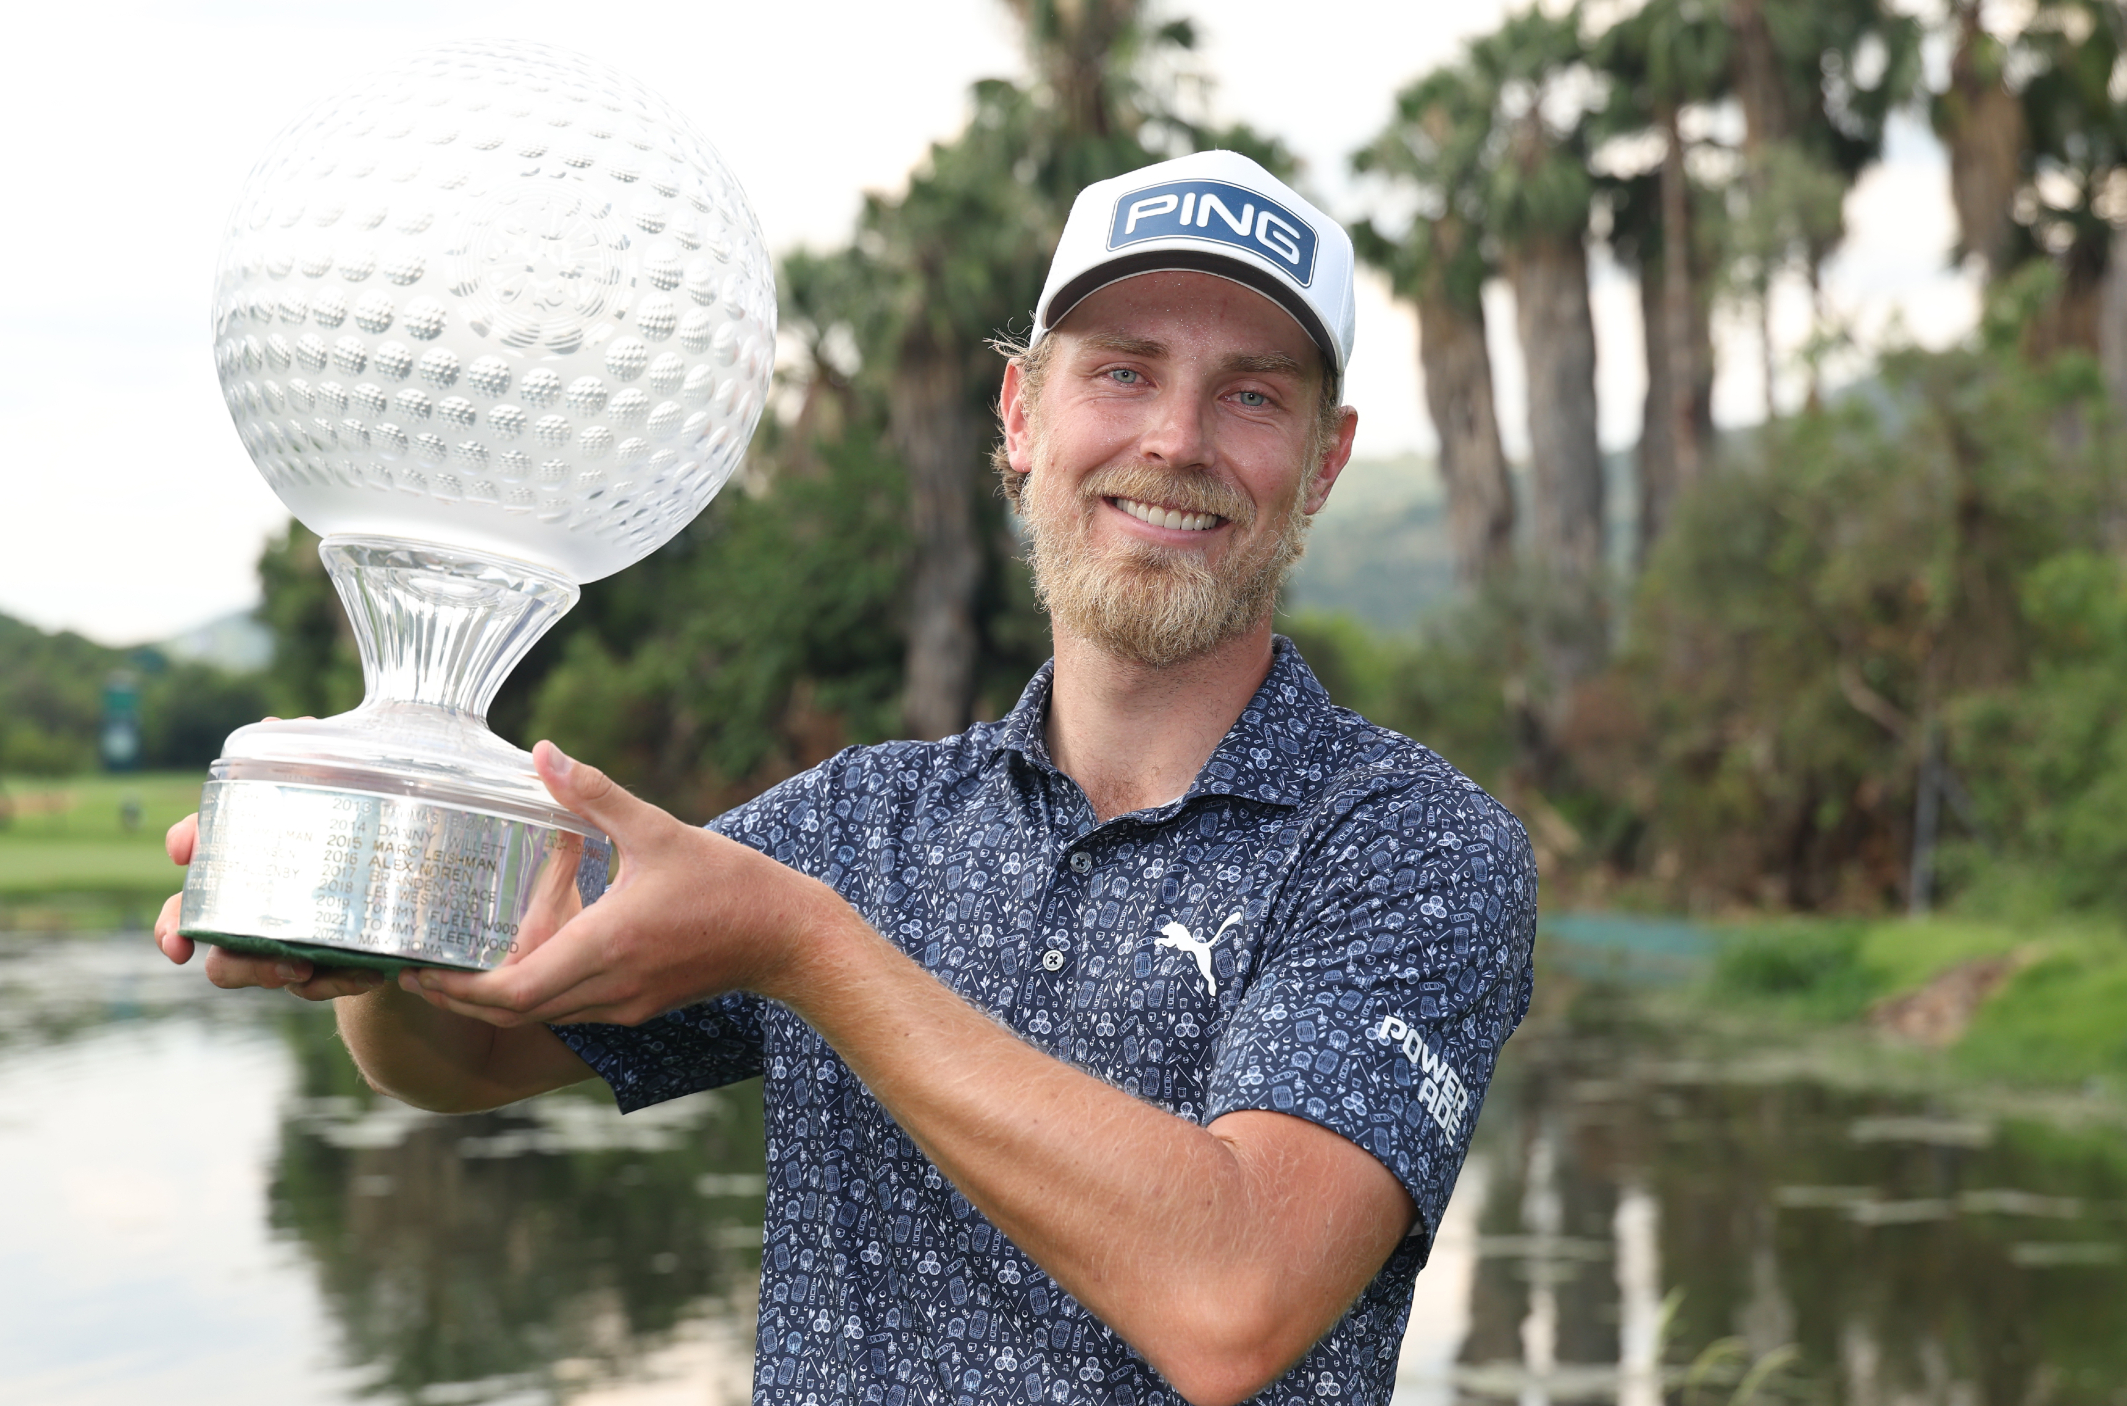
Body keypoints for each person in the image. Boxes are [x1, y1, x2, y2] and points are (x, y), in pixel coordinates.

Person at [155, 149, 1537, 1406]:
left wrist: (806, 946)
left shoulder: (1411, 846)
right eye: (1121, 370)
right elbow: (464, 1057)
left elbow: (1234, 1297)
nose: (1176, 438)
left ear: (1325, 463)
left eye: (1251, 395)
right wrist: (378, 924)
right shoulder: (862, 820)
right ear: (1020, 414)